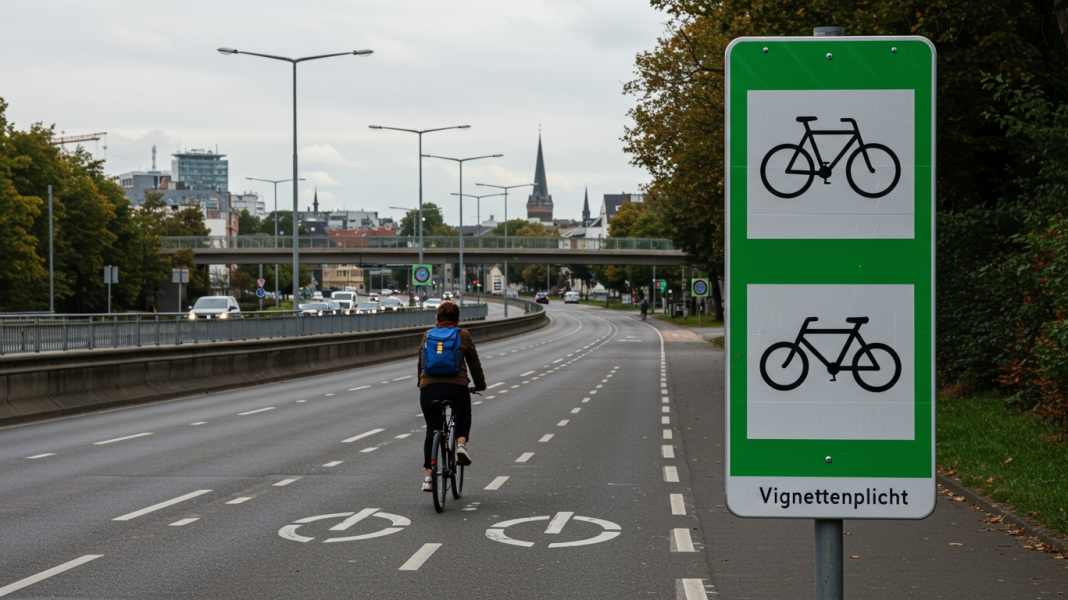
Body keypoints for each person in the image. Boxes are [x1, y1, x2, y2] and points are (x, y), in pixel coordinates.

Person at [417, 301, 486, 492]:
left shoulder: (427, 335)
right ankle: (461, 444)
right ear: (457, 319)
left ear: (437, 318)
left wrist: (421, 383)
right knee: (463, 413)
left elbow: (421, 363)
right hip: (456, 387)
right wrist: (480, 385)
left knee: (432, 429)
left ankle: (428, 477)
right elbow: (474, 364)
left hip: (429, 388)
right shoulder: (462, 335)